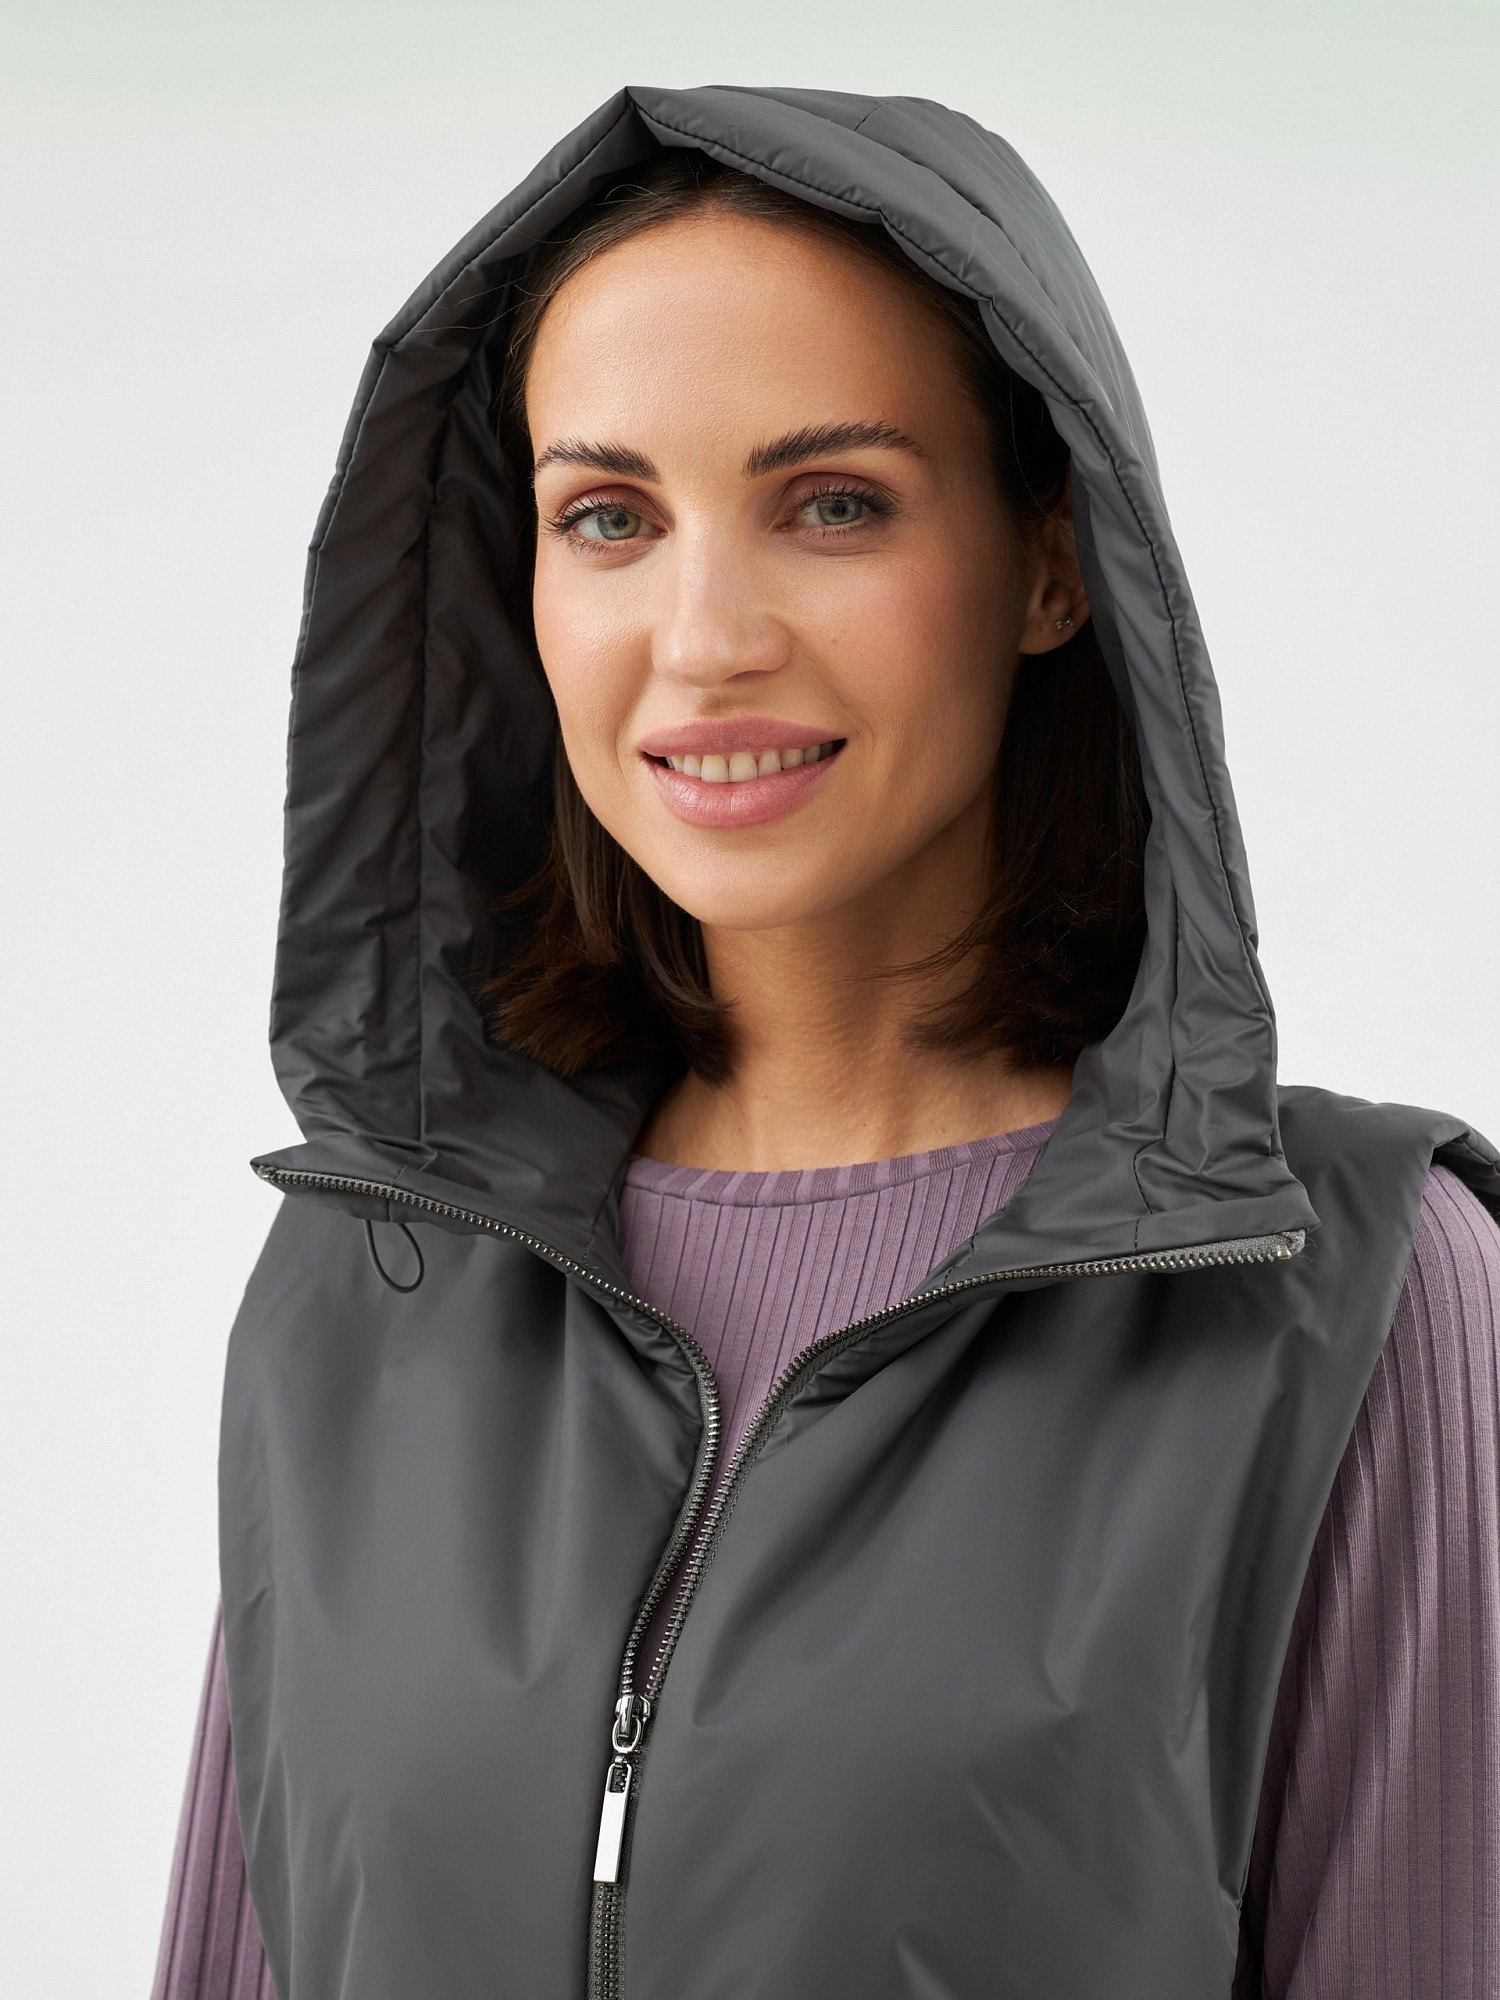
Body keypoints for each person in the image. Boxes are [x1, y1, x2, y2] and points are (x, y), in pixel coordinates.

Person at [152, 87, 1500, 2000]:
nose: (704, 638)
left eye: (834, 504)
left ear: (1054, 562)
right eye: (608, 518)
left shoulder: (1354, 1292)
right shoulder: (372, 1269)